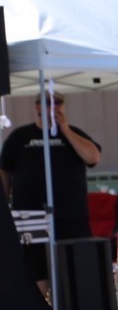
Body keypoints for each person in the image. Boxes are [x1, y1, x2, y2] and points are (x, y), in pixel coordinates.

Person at [0, 91, 102, 297]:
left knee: (74, 270)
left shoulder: (74, 133)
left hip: (71, 217)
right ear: (37, 107)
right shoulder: (20, 137)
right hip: (31, 218)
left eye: (57, 103)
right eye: (47, 103)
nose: (53, 107)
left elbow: (93, 157)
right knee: (34, 270)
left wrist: (63, 129)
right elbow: (4, 170)